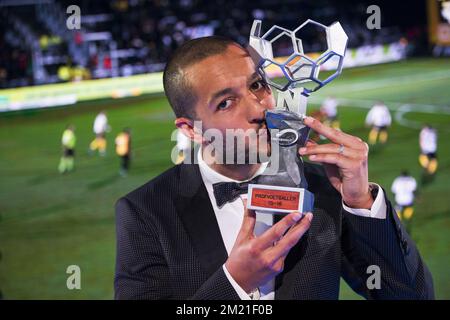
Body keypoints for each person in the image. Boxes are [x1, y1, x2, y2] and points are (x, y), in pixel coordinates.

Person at [114, 36, 433, 300]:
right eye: (226, 102)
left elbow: (412, 295)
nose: (258, 108)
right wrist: (234, 281)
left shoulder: (322, 188)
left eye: (257, 85)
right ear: (192, 129)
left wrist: (361, 202)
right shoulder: (145, 211)